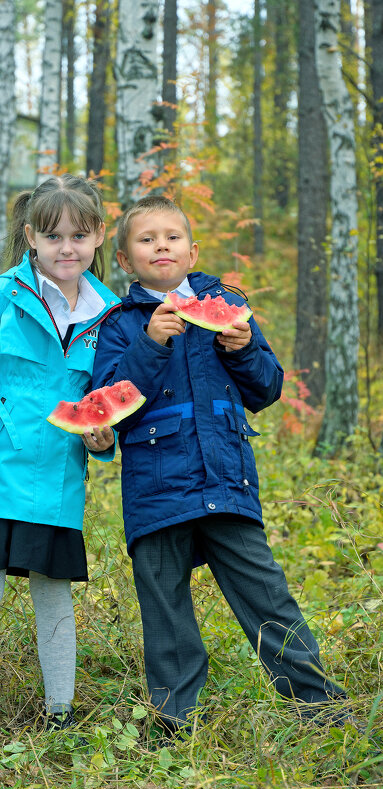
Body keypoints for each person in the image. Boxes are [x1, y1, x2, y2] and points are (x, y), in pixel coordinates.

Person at [91, 195, 349, 737]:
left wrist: (244, 347)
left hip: (226, 480)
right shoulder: (117, 325)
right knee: (165, 610)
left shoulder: (227, 304)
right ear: (123, 259)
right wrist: (150, 344)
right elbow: (108, 404)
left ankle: (319, 704)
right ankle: (172, 721)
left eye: (172, 237)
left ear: (192, 251)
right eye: (146, 239)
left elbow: (268, 388)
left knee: (266, 596)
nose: (161, 245)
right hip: (157, 490)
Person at [0, 174, 121, 754]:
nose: (68, 248)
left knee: (54, 593)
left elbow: (105, 401)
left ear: (99, 237)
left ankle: (60, 716)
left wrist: (101, 442)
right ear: (31, 236)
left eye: (80, 236)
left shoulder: (110, 313)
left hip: (59, 479)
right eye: (55, 235)